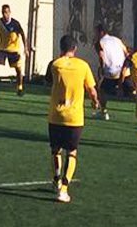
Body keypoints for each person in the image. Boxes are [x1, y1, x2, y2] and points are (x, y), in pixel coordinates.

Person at [45, 35, 99, 203]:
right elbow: (91, 89)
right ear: (75, 49)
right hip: (74, 118)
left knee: (55, 150)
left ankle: (56, 179)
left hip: (55, 116)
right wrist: (95, 101)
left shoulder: (54, 64)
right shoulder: (83, 66)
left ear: (61, 48)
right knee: (72, 153)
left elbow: (49, 81)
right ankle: (64, 189)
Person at [94, 23, 131, 120]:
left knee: (101, 89)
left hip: (111, 72)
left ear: (100, 32)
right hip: (124, 71)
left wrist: (102, 69)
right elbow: (127, 53)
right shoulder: (117, 39)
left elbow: (101, 56)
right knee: (133, 91)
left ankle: (103, 112)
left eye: (96, 32)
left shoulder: (99, 42)